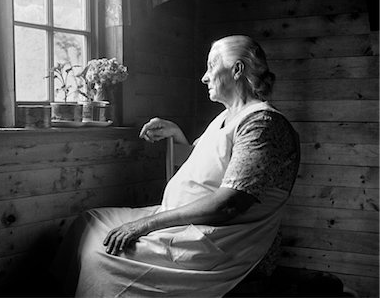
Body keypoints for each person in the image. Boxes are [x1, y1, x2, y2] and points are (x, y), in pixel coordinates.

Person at [50, 35, 300, 297]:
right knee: (89, 221)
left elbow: (228, 204)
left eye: (211, 66)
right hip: (179, 216)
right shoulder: (226, 116)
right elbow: (208, 167)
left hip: (213, 238)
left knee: (101, 255)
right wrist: (176, 134)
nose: (204, 77)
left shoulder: (261, 124)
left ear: (237, 69)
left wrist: (145, 225)